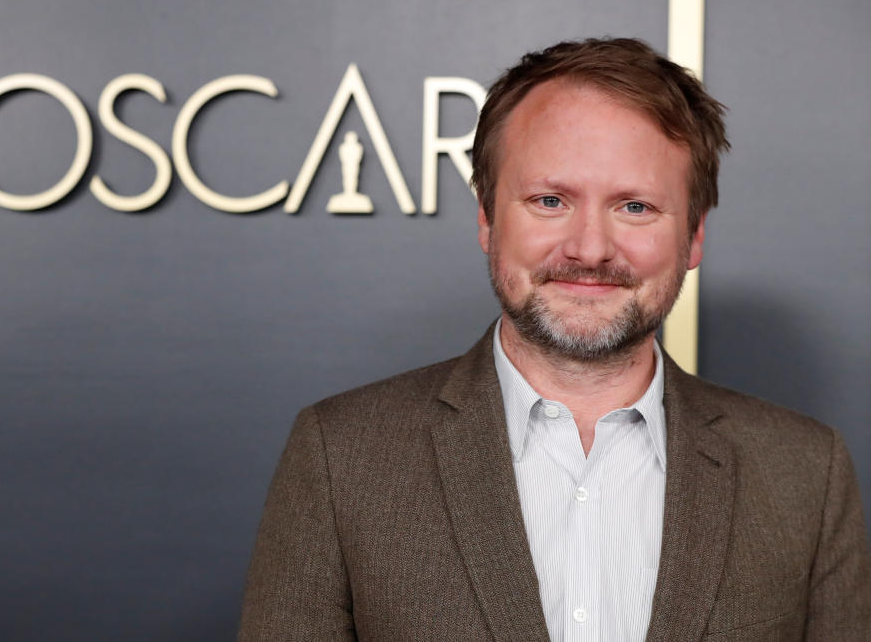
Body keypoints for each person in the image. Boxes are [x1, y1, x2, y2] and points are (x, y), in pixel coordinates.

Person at [238, 38, 871, 641]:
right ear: (487, 217)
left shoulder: (804, 473)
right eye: (549, 200)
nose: (590, 248)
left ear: (695, 235)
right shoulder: (341, 456)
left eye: (635, 207)